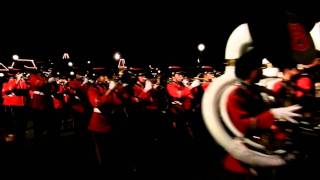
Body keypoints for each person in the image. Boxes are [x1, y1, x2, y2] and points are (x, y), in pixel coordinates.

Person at [223, 49, 302, 180]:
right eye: (258, 68)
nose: (261, 71)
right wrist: (272, 115)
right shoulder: (236, 94)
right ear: (251, 71)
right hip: (245, 155)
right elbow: (241, 125)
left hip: (262, 146)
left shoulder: (253, 91)